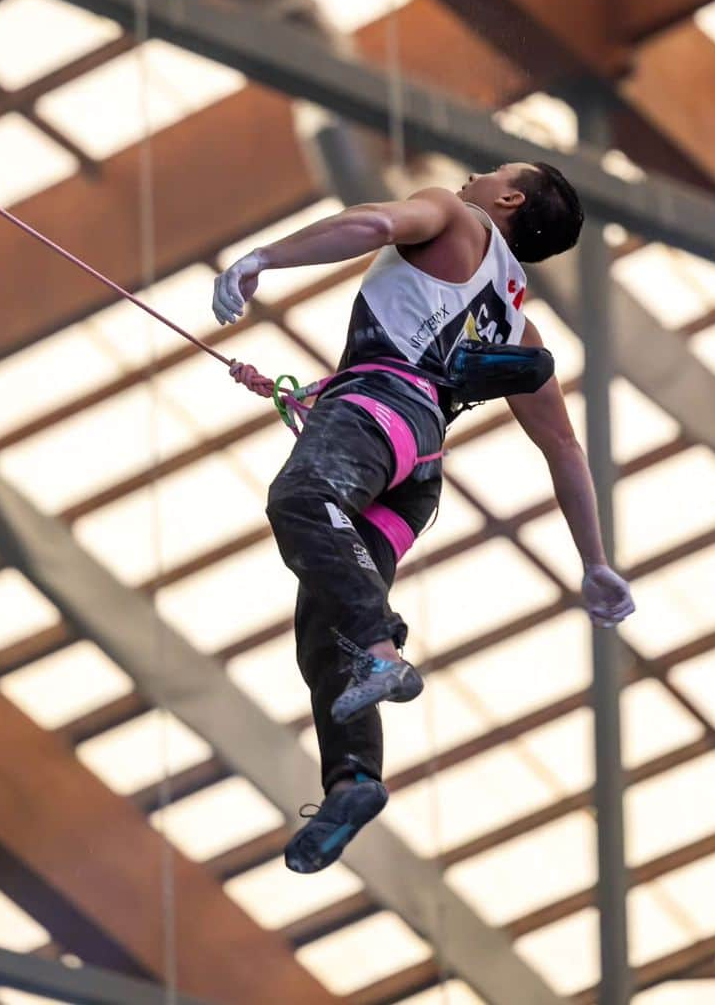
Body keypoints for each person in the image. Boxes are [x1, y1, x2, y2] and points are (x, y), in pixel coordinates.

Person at [212, 163, 635, 873]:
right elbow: (561, 444)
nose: (472, 172)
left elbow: (372, 224)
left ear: (506, 199)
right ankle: (352, 779)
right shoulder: (514, 321)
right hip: (418, 465)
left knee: (301, 502)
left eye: (492, 172)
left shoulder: (451, 214)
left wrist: (263, 259)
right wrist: (593, 561)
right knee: (324, 626)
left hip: (380, 413)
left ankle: (381, 650)